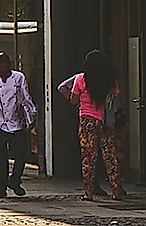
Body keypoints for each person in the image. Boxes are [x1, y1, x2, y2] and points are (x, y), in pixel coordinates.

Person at [58, 51, 127, 201]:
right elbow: (115, 96)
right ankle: (116, 191)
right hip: (106, 121)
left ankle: (88, 193)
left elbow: (74, 101)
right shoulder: (110, 80)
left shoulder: (81, 79)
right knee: (110, 156)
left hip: (87, 121)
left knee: (89, 158)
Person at [0, 53, 38, 198]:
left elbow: (25, 97)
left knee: (21, 153)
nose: (5, 65)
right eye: (1, 62)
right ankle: (1, 188)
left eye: (7, 62)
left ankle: (15, 179)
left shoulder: (19, 77)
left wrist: (32, 115)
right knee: (0, 157)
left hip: (17, 122)